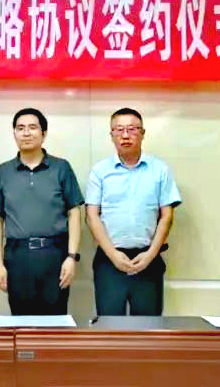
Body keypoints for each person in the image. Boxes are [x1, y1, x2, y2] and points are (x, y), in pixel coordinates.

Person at [0, 108, 83, 316]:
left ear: (43, 133)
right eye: (20, 128)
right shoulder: (3, 172)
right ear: (14, 133)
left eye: (32, 128)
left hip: (54, 255)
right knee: (21, 322)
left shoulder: (61, 168)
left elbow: (74, 212)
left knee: (55, 322)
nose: (26, 133)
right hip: (17, 257)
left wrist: (71, 257)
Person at [86, 107, 182, 316]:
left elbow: (167, 216)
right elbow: (92, 216)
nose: (125, 135)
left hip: (148, 257)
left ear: (143, 133)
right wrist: (113, 254)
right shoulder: (100, 171)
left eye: (132, 129)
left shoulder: (159, 170)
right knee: (109, 324)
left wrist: (150, 255)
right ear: (111, 135)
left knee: (148, 326)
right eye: (119, 130)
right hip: (109, 260)